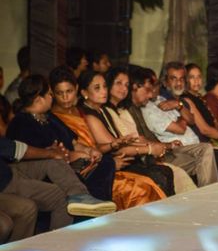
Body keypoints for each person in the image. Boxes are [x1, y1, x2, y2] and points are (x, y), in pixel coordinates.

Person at [51, 67, 166, 209]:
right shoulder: (54, 118)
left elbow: (96, 147)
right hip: (86, 173)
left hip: (103, 164)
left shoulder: (81, 112)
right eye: (60, 93)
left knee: (149, 183)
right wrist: (110, 162)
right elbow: (71, 154)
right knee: (141, 189)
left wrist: (113, 148)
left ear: (76, 89)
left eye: (69, 91)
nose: (65, 97)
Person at [7, 72, 116, 206]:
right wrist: (71, 156)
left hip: (71, 162)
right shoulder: (20, 123)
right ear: (39, 99)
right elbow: (33, 157)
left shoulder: (49, 117)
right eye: (50, 94)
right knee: (86, 166)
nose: (51, 97)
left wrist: (89, 151)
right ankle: (89, 206)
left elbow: (74, 142)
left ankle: (98, 205)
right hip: (50, 171)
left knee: (105, 161)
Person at [78, 70, 175, 197]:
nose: (103, 91)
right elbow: (116, 149)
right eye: (97, 88)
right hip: (110, 167)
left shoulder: (102, 110)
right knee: (159, 176)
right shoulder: (90, 116)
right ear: (84, 93)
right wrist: (150, 149)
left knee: (165, 171)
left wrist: (152, 147)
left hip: (123, 161)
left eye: (105, 86)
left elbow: (122, 142)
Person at [141, 68, 218, 187]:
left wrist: (179, 106)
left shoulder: (162, 99)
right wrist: (181, 114)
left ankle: (212, 192)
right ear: (166, 82)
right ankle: (211, 193)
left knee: (215, 154)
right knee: (208, 150)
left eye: (181, 79)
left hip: (194, 145)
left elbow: (191, 119)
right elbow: (181, 129)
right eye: (174, 79)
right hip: (177, 149)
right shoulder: (149, 108)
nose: (178, 83)